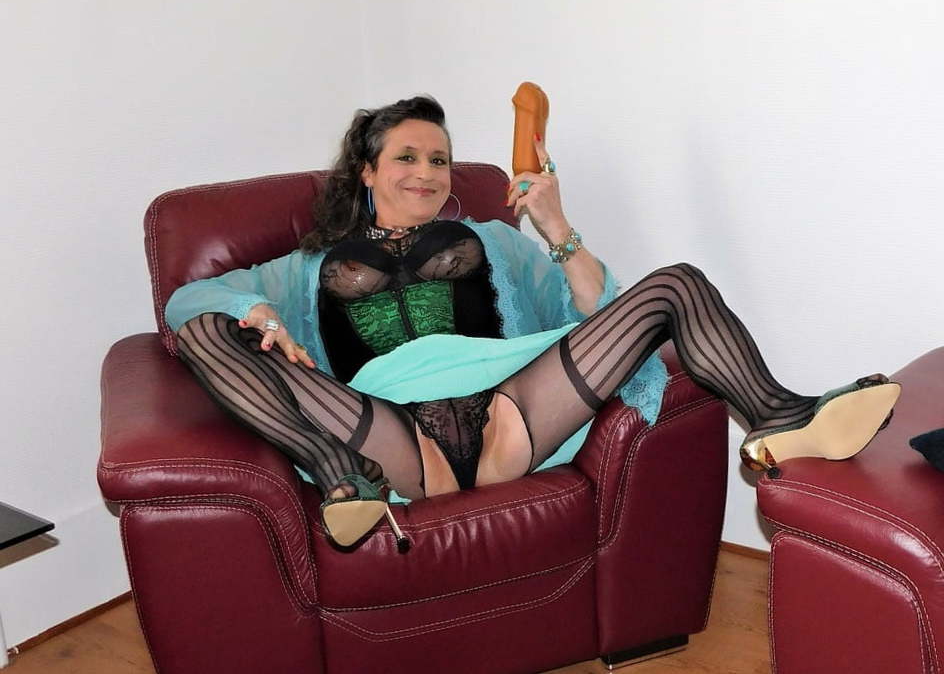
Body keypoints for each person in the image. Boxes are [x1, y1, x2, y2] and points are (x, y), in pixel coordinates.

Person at [165, 95, 901, 551]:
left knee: (677, 282)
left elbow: (594, 310)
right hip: (382, 434)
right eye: (407, 156)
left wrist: (555, 226)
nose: (427, 171)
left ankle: (780, 417)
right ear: (367, 169)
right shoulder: (303, 265)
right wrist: (254, 308)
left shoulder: (494, 237)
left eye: (441, 159)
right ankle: (337, 476)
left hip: (507, 415)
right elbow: (186, 304)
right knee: (205, 335)